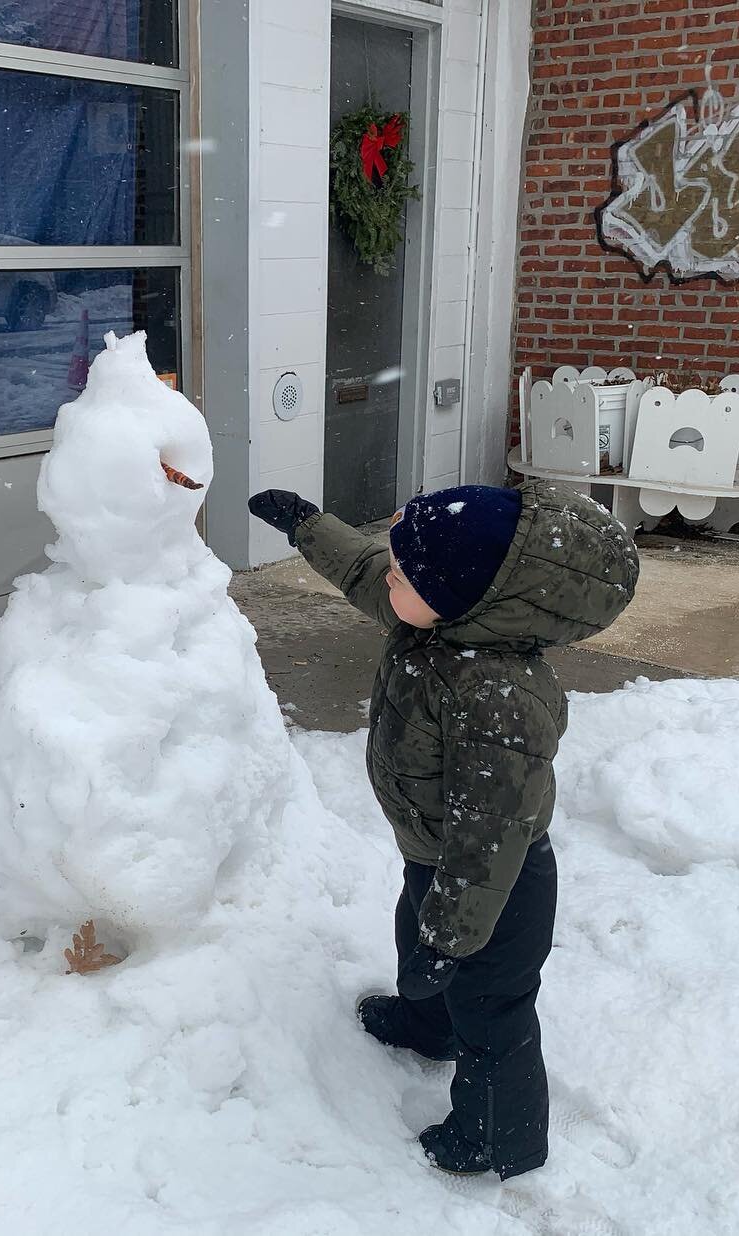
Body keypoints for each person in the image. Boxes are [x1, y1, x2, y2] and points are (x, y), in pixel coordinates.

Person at [249, 479, 639, 1180]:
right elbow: (367, 571)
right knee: (416, 935)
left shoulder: (498, 698)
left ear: (460, 596)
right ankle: (429, 1024)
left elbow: (490, 837)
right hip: (437, 855)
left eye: (404, 572)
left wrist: (453, 935)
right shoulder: (440, 617)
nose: (386, 576)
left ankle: (498, 1136)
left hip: (496, 883)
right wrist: (308, 525)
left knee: (494, 1015)